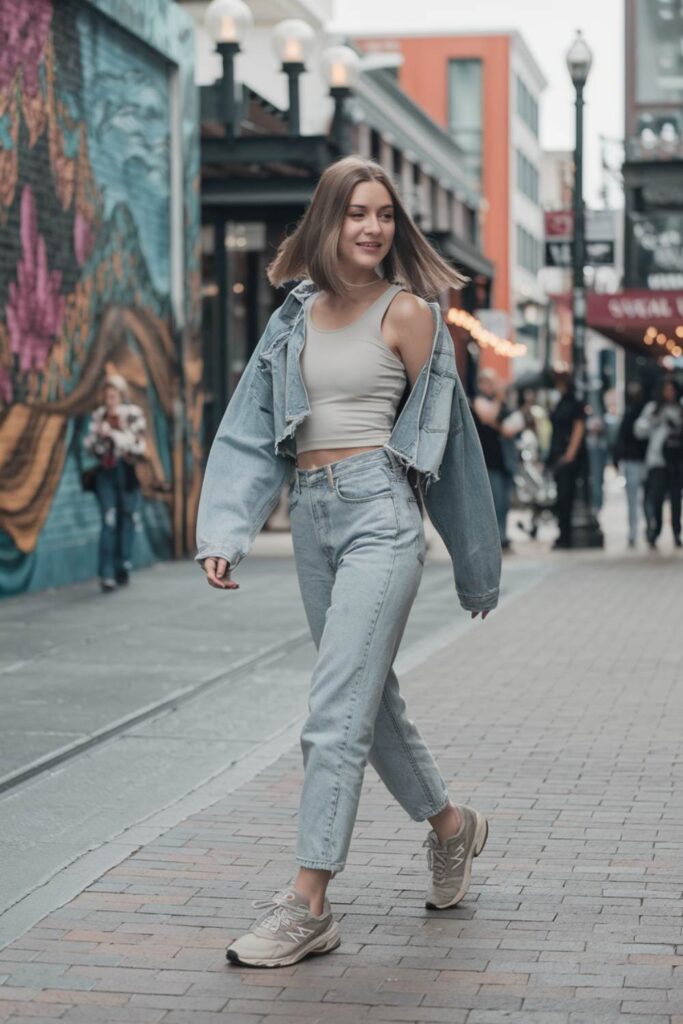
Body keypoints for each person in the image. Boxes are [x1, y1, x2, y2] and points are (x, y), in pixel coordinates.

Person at [195, 155, 501, 968]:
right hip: (311, 516)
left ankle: (308, 901)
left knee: (332, 713)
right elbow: (251, 427)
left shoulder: (409, 316)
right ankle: (450, 826)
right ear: (326, 222)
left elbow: (454, 445)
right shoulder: (293, 317)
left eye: (384, 214)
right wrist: (225, 527)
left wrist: (474, 562)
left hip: (378, 515)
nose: (371, 228)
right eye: (355, 213)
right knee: (369, 700)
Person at [84, 376, 146, 591]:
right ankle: (106, 573)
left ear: (121, 395)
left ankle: (123, 565)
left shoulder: (133, 415)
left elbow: (139, 446)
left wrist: (117, 433)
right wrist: (101, 437)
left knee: (126, 518)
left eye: (113, 396)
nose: (109, 400)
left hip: (126, 472)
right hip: (106, 473)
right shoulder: (99, 416)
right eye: (106, 396)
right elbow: (90, 447)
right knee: (108, 520)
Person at [471, 369, 525, 551]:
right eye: (489, 383)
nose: (492, 387)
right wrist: (499, 400)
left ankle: (502, 535)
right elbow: (489, 418)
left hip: (505, 460)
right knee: (493, 501)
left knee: (504, 501)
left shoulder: (502, 403)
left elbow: (512, 424)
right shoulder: (478, 401)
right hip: (488, 460)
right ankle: (492, 538)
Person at [634, 378, 683, 549]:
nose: (669, 393)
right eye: (666, 390)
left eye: (672, 390)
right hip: (657, 461)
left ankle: (677, 532)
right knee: (656, 498)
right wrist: (656, 420)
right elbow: (639, 430)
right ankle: (656, 530)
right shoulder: (653, 409)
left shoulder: (680, 410)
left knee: (676, 500)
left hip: (676, 461)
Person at [547, 366, 587, 550]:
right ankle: (563, 533)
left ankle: (566, 535)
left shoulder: (574, 403)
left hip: (567, 457)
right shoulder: (559, 401)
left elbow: (579, 428)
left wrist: (570, 454)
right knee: (561, 497)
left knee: (566, 497)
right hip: (558, 454)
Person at [613, 381, 647, 548]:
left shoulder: (646, 410)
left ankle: (647, 528)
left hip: (644, 459)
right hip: (632, 459)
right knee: (634, 498)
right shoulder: (629, 411)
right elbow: (622, 437)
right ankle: (635, 531)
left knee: (645, 498)